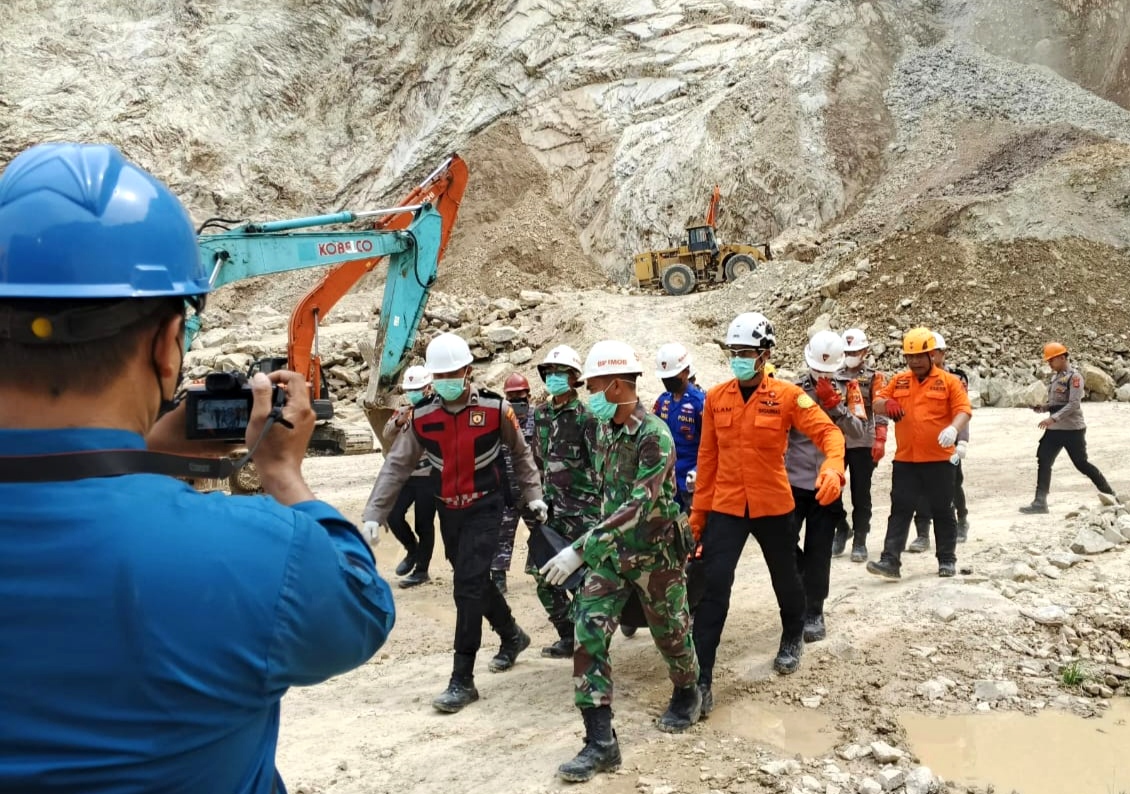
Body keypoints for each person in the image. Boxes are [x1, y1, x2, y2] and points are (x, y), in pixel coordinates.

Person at [0, 142, 396, 793]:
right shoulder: (262, 556)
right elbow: (359, 609)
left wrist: (148, 452)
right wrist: (284, 475)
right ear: (165, 349)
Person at [540, 341, 700, 783]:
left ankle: (688, 692)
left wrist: (579, 548)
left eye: (590, 384)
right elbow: (604, 493)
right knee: (587, 630)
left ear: (614, 386)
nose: (584, 391)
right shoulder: (607, 429)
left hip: (655, 555)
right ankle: (600, 743)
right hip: (612, 557)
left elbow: (639, 504)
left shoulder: (655, 435)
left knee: (671, 633)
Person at [363, 332, 547, 713]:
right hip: (449, 509)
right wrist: (374, 514)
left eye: (451, 373)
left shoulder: (496, 410)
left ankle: (462, 679)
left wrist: (534, 495)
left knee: (466, 586)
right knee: (473, 577)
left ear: (467, 371)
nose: (445, 381)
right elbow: (397, 465)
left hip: (486, 506)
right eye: (438, 375)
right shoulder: (423, 417)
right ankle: (512, 635)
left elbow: (521, 453)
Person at [691, 312, 845, 701]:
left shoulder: (789, 396)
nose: (738, 359)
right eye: (734, 352)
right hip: (726, 505)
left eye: (746, 352)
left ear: (764, 356)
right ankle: (701, 676)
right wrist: (698, 517)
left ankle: (793, 635)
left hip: (773, 503)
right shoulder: (715, 398)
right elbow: (707, 460)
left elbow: (829, 433)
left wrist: (833, 468)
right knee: (714, 586)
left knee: (786, 576)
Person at [866, 328, 972, 580]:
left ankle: (947, 559)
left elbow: (964, 410)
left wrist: (953, 429)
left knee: (943, 509)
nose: (914, 361)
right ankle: (890, 560)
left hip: (939, 460)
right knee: (900, 509)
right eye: (909, 357)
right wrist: (887, 404)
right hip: (906, 459)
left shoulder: (949, 381)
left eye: (919, 356)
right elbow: (877, 401)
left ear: (932, 355)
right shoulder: (900, 380)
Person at [787, 331, 866, 643]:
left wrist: (836, 407)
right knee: (783, 542)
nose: (822, 376)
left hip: (828, 482)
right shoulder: (792, 390)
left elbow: (859, 433)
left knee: (819, 549)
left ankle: (814, 610)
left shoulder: (850, 390)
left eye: (827, 372)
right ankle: (800, 590)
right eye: (817, 371)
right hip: (793, 481)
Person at [528, 345, 601, 658]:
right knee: (542, 576)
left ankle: (588, 636)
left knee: (586, 580)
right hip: (552, 512)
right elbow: (535, 459)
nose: (554, 378)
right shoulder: (541, 415)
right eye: (550, 373)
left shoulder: (587, 417)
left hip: (584, 514)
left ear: (574, 378)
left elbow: (601, 465)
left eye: (560, 373)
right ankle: (567, 634)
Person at [1019, 342, 1119, 513]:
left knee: (1081, 464)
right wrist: (1043, 408)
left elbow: (1073, 404)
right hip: (1054, 430)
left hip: (1072, 430)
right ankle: (1040, 502)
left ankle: (1109, 493)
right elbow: (1056, 403)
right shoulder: (1056, 378)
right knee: (1044, 460)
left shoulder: (1075, 377)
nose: (1049, 363)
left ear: (1062, 357)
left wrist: (1053, 418)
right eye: (1048, 360)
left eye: (1052, 360)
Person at [907, 332, 970, 551]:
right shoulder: (913, 379)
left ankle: (961, 519)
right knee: (921, 489)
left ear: (942, 354)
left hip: (948, 445)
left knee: (953, 484)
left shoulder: (955, 379)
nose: (932, 357)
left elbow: (962, 411)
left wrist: (962, 441)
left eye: (936, 353)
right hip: (922, 447)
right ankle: (922, 534)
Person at [379, 365, 438, 588]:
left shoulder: (436, 409)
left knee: (425, 523)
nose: (413, 393)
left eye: (418, 389)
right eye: (410, 389)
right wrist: (398, 421)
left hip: (429, 475)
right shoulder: (404, 409)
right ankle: (412, 550)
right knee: (393, 515)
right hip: (407, 475)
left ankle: (422, 570)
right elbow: (386, 433)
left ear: (428, 388)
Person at [832, 328, 888, 562]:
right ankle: (841, 526)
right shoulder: (833, 374)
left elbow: (881, 407)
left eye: (855, 351)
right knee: (829, 489)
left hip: (863, 441)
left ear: (865, 351)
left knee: (860, 494)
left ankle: (860, 539)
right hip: (836, 440)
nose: (851, 354)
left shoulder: (875, 377)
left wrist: (881, 437)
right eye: (847, 351)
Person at [491, 371, 536, 595]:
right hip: (505, 490)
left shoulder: (538, 419)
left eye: (521, 396)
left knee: (541, 532)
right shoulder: (498, 421)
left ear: (529, 396)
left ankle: (538, 570)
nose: (517, 401)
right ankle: (498, 577)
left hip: (531, 490)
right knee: (501, 535)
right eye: (512, 397)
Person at [653, 342, 706, 510]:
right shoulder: (663, 401)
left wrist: (699, 470)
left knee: (695, 531)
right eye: (665, 378)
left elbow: (713, 444)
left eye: (672, 376)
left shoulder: (700, 403)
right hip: (667, 481)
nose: (668, 381)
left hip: (692, 483)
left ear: (685, 372)